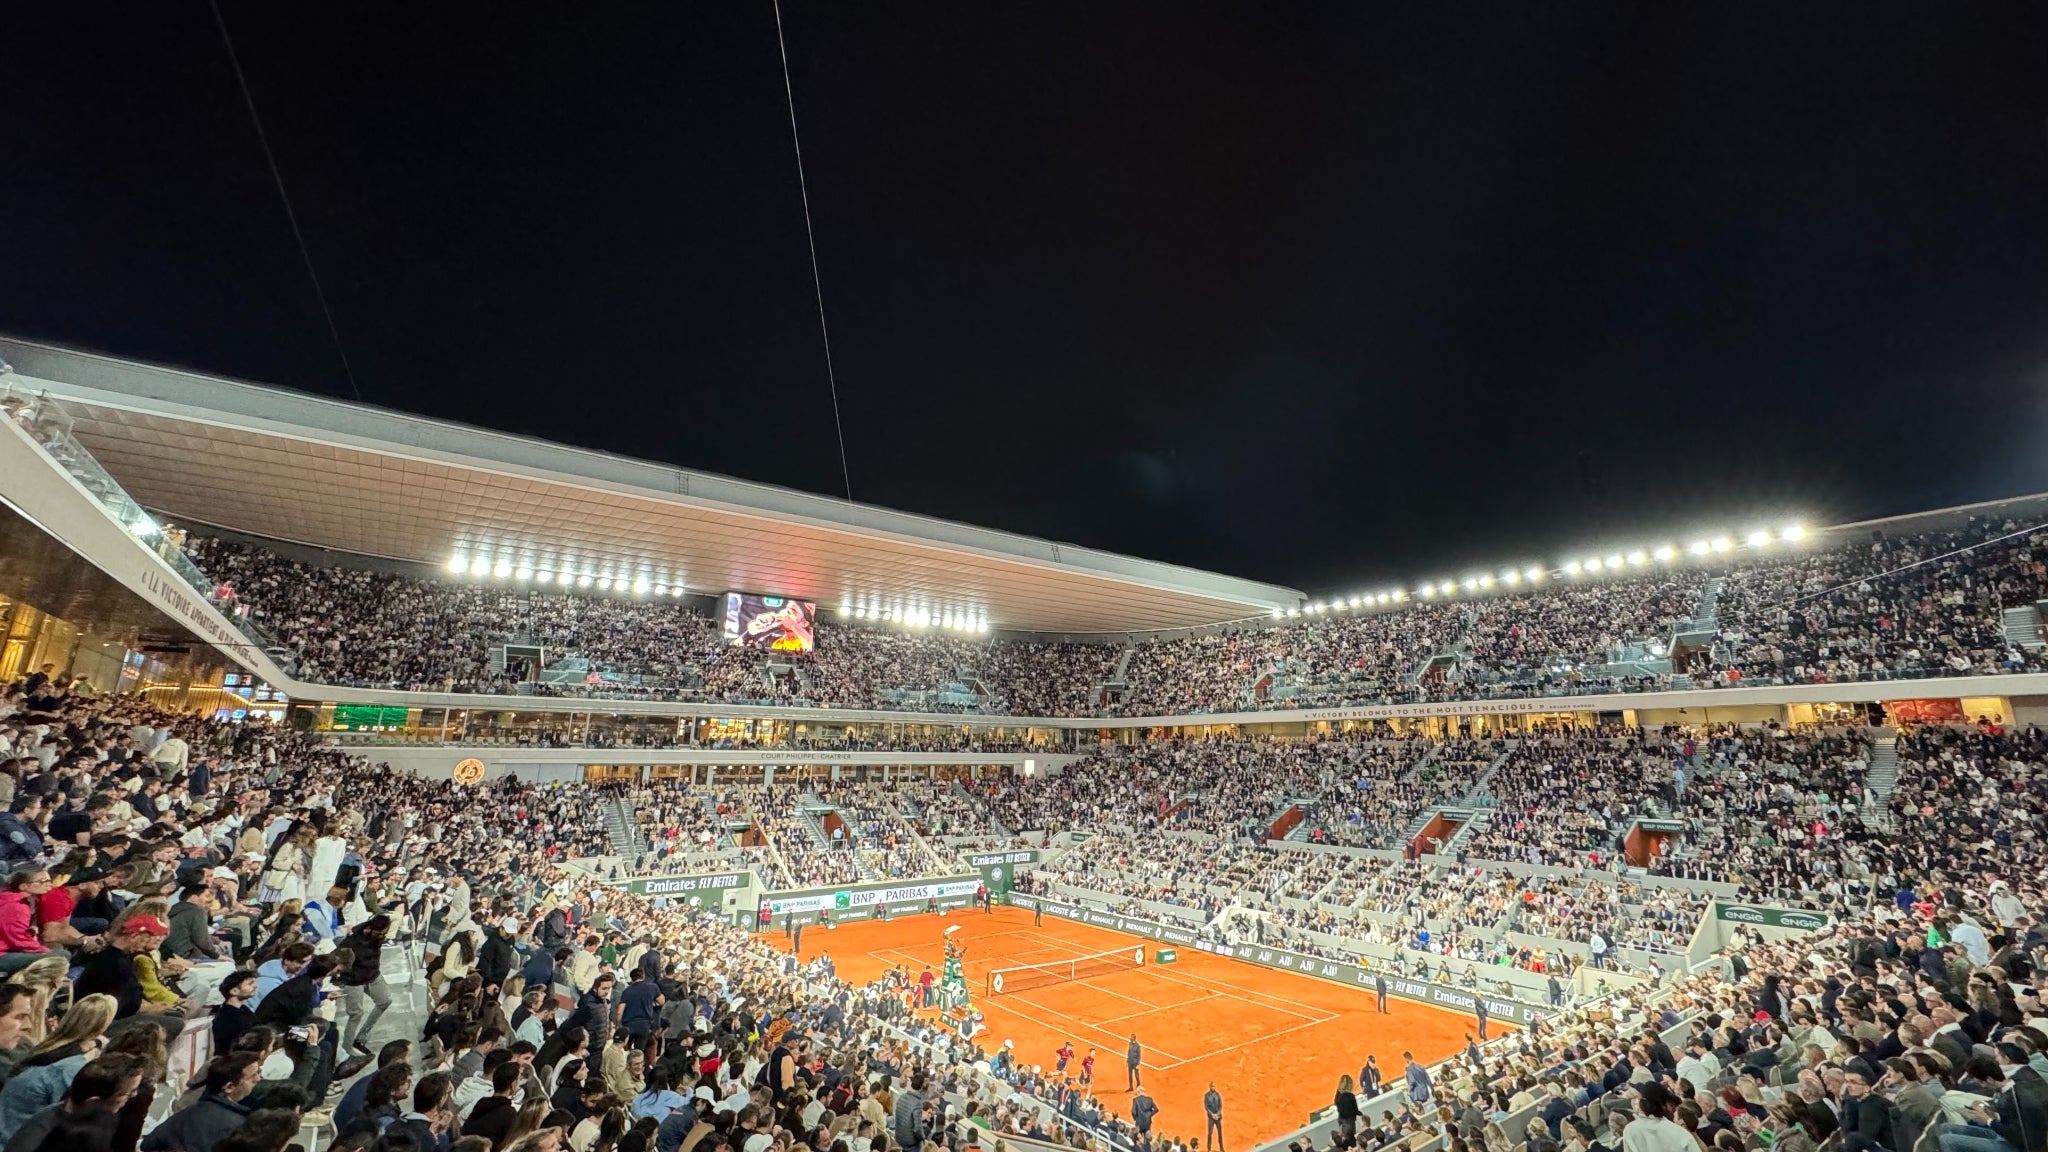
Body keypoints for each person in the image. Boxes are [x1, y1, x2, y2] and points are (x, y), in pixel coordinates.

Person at [141, 1052, 261, 1152]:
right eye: (252, 1076)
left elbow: (147, 1143)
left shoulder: (186, 1113)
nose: (258, 1079)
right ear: (229, 1087)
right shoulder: (237, 1126)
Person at [337, 916, 394, 1057]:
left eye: (384, 934)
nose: (382, 937)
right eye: (379, 934)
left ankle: (361, 1036)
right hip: (353, 980)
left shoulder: (377, 938)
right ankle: (347, 1048)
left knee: (385, 1001)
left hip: (372, 975)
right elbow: (338, 959)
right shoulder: (351, 942)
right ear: (369, 929)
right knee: (356, 1014)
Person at [1622, 1083, 1697, 1152]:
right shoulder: (1680, 1134)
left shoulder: (1629, 1130)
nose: (1674, 1110)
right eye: (1673, 1105)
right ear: (1665, 1105)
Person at [1204, 1082, 1223, 1152]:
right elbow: (1206, 1107)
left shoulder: (1218, 1095)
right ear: (1210, 1087)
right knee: (1210, 1133)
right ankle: (1209, 1149)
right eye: (1212, 1087)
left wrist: (1218, 1114)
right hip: (1211, 1118)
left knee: (1220, 1133)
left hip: (1218, 1117)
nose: (1213, 1088)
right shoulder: (1206, 1096)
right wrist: (1212, 1114)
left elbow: (1220, 1106)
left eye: (1214, 1086)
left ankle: (1221, 1148)